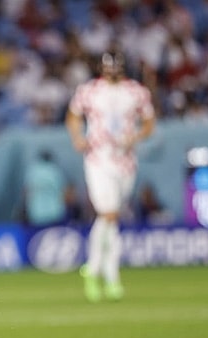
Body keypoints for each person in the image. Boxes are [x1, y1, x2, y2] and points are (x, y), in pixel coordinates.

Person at [65, 50, 156, 302]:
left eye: (116, 68)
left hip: (126, 161)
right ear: (102, 69)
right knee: (109, 213)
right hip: (98, 158)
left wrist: (136, 136)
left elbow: (149, 122)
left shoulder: (137, 92)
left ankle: (99, 273)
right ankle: (105, 274)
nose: (112, 72)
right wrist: (77, 137)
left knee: (111, 219)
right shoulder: (89, 91)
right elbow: (73, 116)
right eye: (108, 68)